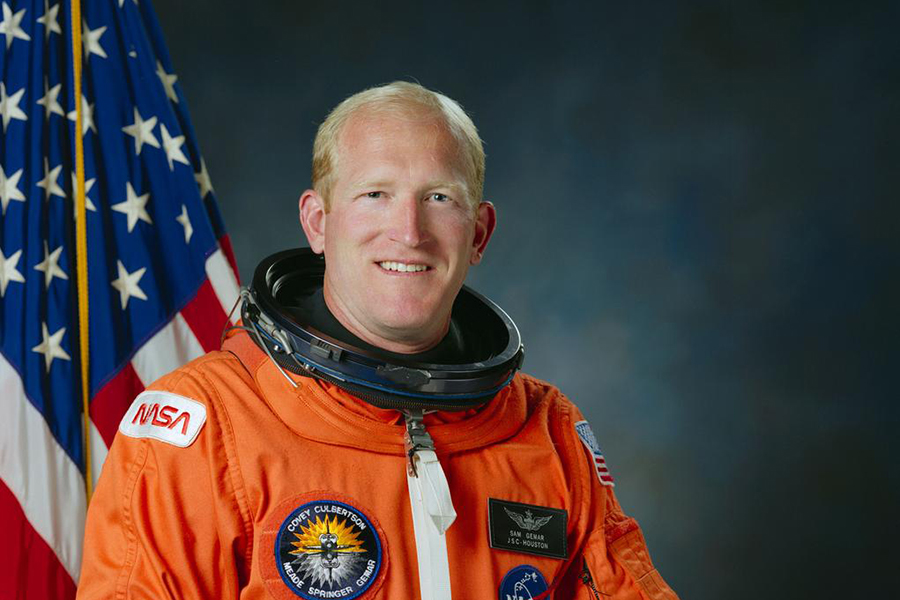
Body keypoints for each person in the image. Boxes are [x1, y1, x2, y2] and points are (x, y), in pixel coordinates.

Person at [78, 82, 678, 600]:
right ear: (317, 221)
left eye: (439, 198)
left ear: (479, 233)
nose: (409, 231)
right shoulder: (204, 428)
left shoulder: (547, 433)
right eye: (376, 194)